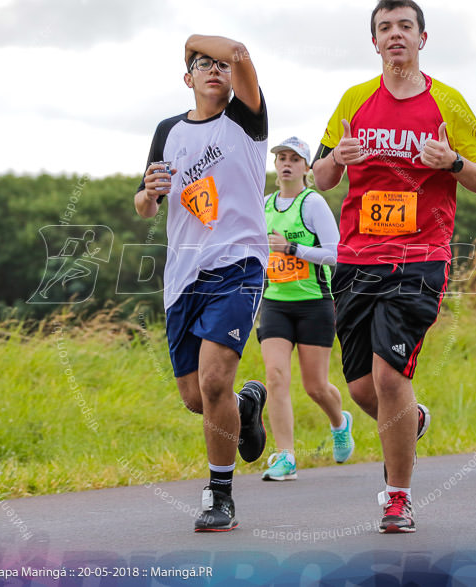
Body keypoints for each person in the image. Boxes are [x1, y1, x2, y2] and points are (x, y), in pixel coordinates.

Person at [311, 0, 476, 533]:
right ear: (374, 42)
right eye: (385, 28)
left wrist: (453, 163)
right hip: (357, 259)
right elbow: (322, 179)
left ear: (422, 37)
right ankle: (411, 423)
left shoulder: (449, 103)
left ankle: (397, 498)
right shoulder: (354, 99)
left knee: (391, 374)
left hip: (419, 258)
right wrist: (334, 160)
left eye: (404, 27)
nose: (395, 35)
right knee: (364, 389)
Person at [134, 34, 270, 532]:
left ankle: (220, 496)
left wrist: (191, 40)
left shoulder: (246, 119)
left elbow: (239, 53)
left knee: (215, 381)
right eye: (201, 64)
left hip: (238, 266)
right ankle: (248, 405)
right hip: (183, 277)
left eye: (220, 65)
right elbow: (146, 203)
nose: (214, 70)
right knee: (197, 398)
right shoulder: (168, 130)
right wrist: (147, 195)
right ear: (186, 78)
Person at [256, 136, 355, 482]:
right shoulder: (264, 204)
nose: (286, 163)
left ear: (306, 168)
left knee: (316, 386)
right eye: (281, 157)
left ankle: (340, 423)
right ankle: (286, 456)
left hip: (314, 303)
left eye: (294, 159)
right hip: (275, 304)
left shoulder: (312, 203)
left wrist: (292, 248)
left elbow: (336, 254)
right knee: (276, 377)